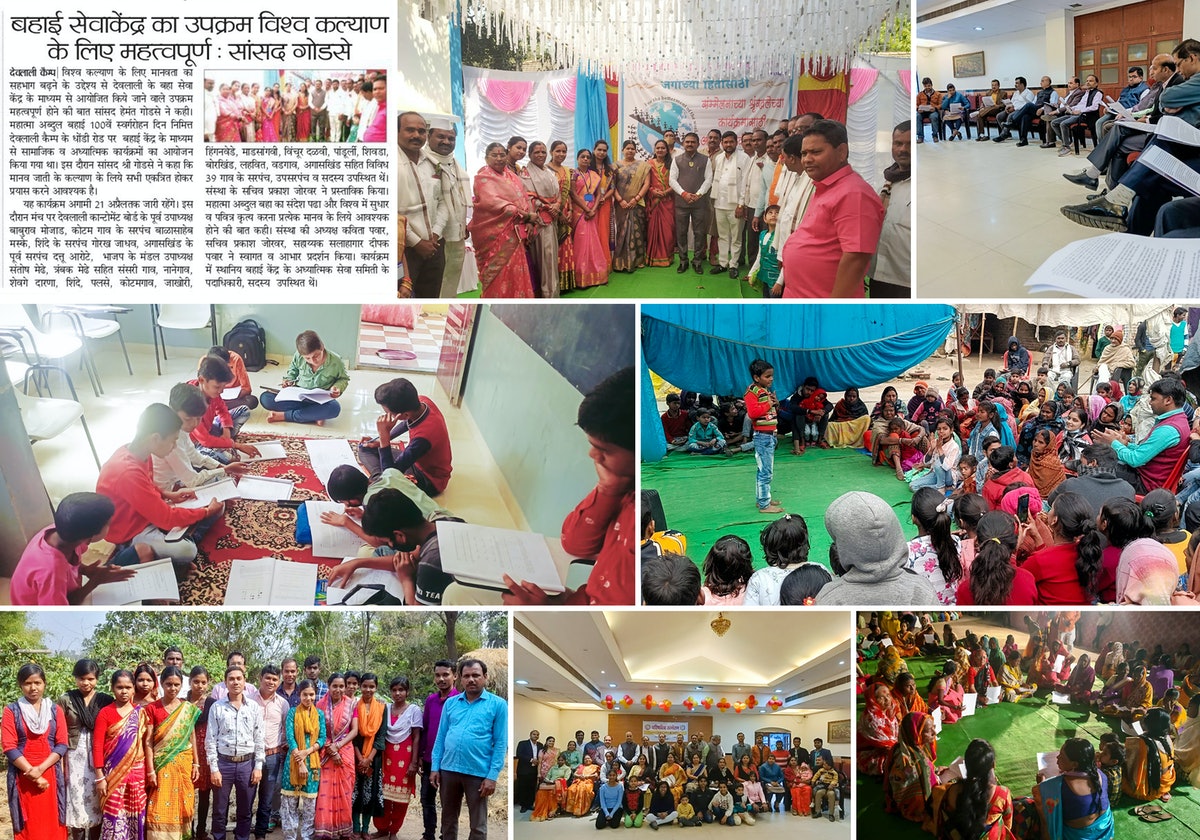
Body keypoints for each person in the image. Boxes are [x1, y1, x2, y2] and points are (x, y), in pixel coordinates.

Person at [502, 367, 635, 605]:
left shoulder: (638, 515)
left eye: (604, 450)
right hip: (581, 601)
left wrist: (548, 610)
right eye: (592, 444)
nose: (592, 454)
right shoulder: (620, 485)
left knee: (458, 595)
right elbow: (575, 544)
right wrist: (607, 491)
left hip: (586, 614)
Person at [95, 404, 224, 573]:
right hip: (131, 531)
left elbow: (146, 484)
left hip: (145, 515)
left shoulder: (138, 452)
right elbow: (166, 518)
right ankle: (168, 553)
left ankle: (172, 548)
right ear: (156, 438)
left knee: (219, 507)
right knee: (187, 550)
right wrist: (205, 512)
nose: (174, 446)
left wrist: (168, 494)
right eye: (172, 441)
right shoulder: (127, 471)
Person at [775, 120, 884, 298]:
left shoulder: (854, 193)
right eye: (804, 153)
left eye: (816, 152)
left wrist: (832, 311)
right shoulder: (826, 187)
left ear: (841, 152)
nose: (807, 159)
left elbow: (856, 258)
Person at [11, 493, 141, 606]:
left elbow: (68, 564)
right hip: (47, 605)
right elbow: (62, 610)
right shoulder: (51, 570)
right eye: (108, 524)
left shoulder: (63, 531)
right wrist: (95, 582)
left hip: (63, 589)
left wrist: (84, 569)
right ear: (89, 538)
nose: (111, 525)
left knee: (143, 550)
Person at [430, 659, 506, 840]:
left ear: (485, 677)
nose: (471, 679)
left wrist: (492, 776)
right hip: (448, 770)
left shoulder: (498, 704)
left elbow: (501, 743)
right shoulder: (451, 703)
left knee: (478, 825)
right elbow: (441, 737)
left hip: (478, 773)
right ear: (460, 679)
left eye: (476, 675)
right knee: (448, 820)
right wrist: (435, 767)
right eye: (467, 676)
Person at [3, 663, 69, 840]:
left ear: (44, 683)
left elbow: (62, 744)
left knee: (53, 822)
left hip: (50, 773)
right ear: (20, 685)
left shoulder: (55, 710)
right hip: (22, 775)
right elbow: (9, 746)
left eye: (37, 683)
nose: (33, 688)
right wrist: (33, 774)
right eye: (27, 683)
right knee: (28, 823)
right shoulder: (12, 711)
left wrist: (40, 769)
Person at [357, 378, 452, 495]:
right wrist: (382, 439)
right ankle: (379, 478)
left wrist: (384, 436)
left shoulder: (422, 438)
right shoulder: (422, 402)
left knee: (388, 485)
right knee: (365, 448)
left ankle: (380, 481)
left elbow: (391, 474)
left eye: (390, 414)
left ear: (405, 414)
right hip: (416, 462)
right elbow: (407, 423)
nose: (388, 416)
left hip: (429, 479)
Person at [467, 142, 537, 297]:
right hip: (494, 235)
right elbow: (494, 203)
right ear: (486, 158)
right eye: (494, 155)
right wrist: (525, 216)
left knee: (515, 268)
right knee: (499, 273)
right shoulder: (483, 178)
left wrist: (529, 220)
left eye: (502, 155)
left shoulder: (511, 175)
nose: (499, 158)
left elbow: (523, 198)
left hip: (515, 233)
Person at [206, 666, 265, 840]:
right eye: (231, 679)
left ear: (245, 681)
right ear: (225, 683)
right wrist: (214, 769)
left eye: (239, 678)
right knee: (219, 810)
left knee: (245, 810)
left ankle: (242, 837)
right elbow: (210, 740)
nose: (235, 682)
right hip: (223, 764)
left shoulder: (253, 707)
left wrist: (258, 766)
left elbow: (259, 738)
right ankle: (219, 837)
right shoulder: (217, 707)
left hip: (247, 764)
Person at [93, 670, 153, 840]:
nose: (124, 691)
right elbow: (97, 745)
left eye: (128, 687)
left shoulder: (140, 712)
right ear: (112, 688)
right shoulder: (105, 713)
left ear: (134, 689)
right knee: (114, 812)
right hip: (112, 774)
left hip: (137, 773)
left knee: (135, 812)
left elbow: (145, 743)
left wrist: (149, 772)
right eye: (120, 687)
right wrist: (100, 777)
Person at [58, 659, 112, 840]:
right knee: (76, 801)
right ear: (75, 678)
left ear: (97, 679)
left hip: (99, 756)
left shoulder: (105, 700)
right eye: (81, 678)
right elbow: (58, 730)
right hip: (73, 757)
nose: (86, 683)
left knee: (97, 800)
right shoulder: (66, 700)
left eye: (90, 678)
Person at [146, 665, 201, 840]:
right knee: (159, 806)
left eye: (177, 684)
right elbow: (148, 742)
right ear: (161, 684)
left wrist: (196, 763)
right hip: (161, 765)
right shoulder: (152, 708)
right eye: (169, 684)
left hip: (184, 764)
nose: (173, 688)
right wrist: (150, 770)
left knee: (185, 803)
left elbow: (192, 737)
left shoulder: (187, 708)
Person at [397, 112, 445, 298]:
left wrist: (435, 234)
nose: (416, 135)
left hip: (435, 246)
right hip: (404, 250)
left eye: (421, 131)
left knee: (431, 297)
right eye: (410, 130)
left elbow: (443, 202)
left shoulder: (433, 163)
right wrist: (417, 242)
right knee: (402, 298)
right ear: (397, 132)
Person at [261, 331, 349, 426]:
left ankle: (285, 415)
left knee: (334, 408)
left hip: (319, 401)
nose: (313, 360)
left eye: (316, 356)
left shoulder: (336, 361)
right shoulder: (298, 356)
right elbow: (293, 370)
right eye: (307, 358)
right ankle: (313, 415)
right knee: (266, 398)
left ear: (322, 347)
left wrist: (337, 387)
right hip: (299, 397)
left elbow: (343, 379)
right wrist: (288, 380)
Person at [372, 676, 420, 840]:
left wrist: (414, 763)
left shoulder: (413, 710)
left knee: (400, 800)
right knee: (382, 796)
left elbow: (416, 737)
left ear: (407, 692)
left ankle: (394, 831)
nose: (397, 693)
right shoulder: (384, 708)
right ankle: (382, 828)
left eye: (401, 690)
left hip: (405, 758)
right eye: (394, 690)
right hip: (386, 757)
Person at [871, 121, 912, 297]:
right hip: (876, 274)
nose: (903, 149)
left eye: (909, 144)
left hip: (906, 281)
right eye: (898, 143)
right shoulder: (884, 182)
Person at [281, 680, 325, 840]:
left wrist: (307, 751)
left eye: (311, 694)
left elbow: (322, 738)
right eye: (305, 694)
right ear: (299, 695)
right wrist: (300, 761)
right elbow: (290, 737)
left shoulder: (319, 714)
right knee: (289, 804)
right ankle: (290, 836)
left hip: (312, 764)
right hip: (293, 762)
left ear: (315, 695)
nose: (308, 698)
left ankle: (307, 836)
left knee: (309, 806)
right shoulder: (293, 712)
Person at [519, 141, 563, 297]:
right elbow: (527, 197)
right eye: (536, 152)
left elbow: (558, 194)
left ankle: (552, 293)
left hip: (553, 219)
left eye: (543, 152)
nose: (540, 155)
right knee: (544, 260)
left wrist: (557, 205)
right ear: (530, 154)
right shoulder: (526, 172)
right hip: (539, 221)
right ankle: (546, 295)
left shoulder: (548, 172)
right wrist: (547, 207)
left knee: (551, 259)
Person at [251, 667, 289, 840]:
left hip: (273, 756)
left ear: (278, 681)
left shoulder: (283, 703)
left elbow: (285, 730)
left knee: (266, 798)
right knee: (248, 795)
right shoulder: (249, 700)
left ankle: (260, 834)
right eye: (268, 678)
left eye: (275, 679)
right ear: (261, 678)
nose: (271, 682)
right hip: (250, 756)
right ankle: (243, 831)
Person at [669, 133, 713, 274]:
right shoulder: (677, 160)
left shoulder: (705, 160)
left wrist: (698, 194)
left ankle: (697, 261)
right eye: (687, 142)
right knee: (681, 232)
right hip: (682, 202)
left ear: (698, 143)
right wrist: (684, 194)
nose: (689, 144)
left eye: (692, 142)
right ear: (683, 143)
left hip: (699, 203)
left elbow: (708, 179)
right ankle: (683, 261)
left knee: (699, 233)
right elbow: (672, 180)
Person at [745, 359, 783, 514]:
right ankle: (764, 505)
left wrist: (775, 403)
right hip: (762, 436)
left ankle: (762, 498)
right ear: (756, 377)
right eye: (767, 376)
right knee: (766, 471)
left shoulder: (764, 391)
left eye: (772, 376)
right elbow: (753, 413)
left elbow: (770, 411)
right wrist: (768, 403)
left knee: (764, 470)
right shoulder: (752, 392)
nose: (771, 379)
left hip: (769, 435)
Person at [612, 140, 649, 272]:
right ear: (622, 150)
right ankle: (620, 261)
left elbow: (646, 183)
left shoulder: (643, 166)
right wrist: (620, 200)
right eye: (627, 148)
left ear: (636, 150)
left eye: (632, 148)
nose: (630, 151)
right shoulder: (615, 165)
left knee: (637, 231)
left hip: (637, 203)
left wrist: (636, 198)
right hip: (620, 204)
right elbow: (612, 185)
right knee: (621, 231)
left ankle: (638, 259)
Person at [645, 140, 676, 268]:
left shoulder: (673, 164)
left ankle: (667, 256)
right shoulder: (648, 164)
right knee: (653, 230)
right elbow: (645, 183)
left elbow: (676, 182)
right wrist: (653, 191)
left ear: (667, 150)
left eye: (663, 148)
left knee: (668, 231)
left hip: (668, 201)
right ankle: (653, 257)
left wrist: (666, 192)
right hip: (654, 201)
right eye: (658, 148)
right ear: (654, 150)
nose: (660, 150)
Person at [514, 729, 541, 813]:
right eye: (534, 734)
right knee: (523, 787)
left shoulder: (540, 745)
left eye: (537, 735)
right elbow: (519, 755)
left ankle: (529, 804)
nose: (535, 736)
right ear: (530, 735)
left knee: (531, 787)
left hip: (534, 769)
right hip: (524, 770)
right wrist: (531, 760)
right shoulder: (522, 743)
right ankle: (523, 805)